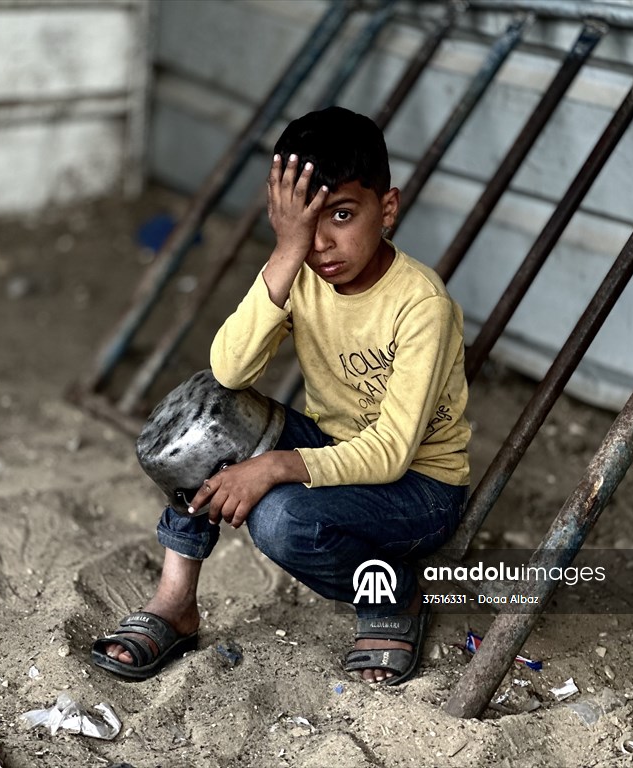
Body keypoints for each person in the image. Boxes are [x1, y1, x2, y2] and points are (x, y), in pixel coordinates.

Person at [93, 106, 471, 685]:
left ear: (387, 209)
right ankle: (176, 600)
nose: (323, 242)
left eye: (342, 215)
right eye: (305, 224)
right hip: (334, 448)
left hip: (419, 488)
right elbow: (229, 368)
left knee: (282, 523)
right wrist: (284, 254)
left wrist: (272, 467)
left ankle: (394, 593)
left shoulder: (422, 306)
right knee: (206, 420)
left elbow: (393, 451)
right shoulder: (302, 268)